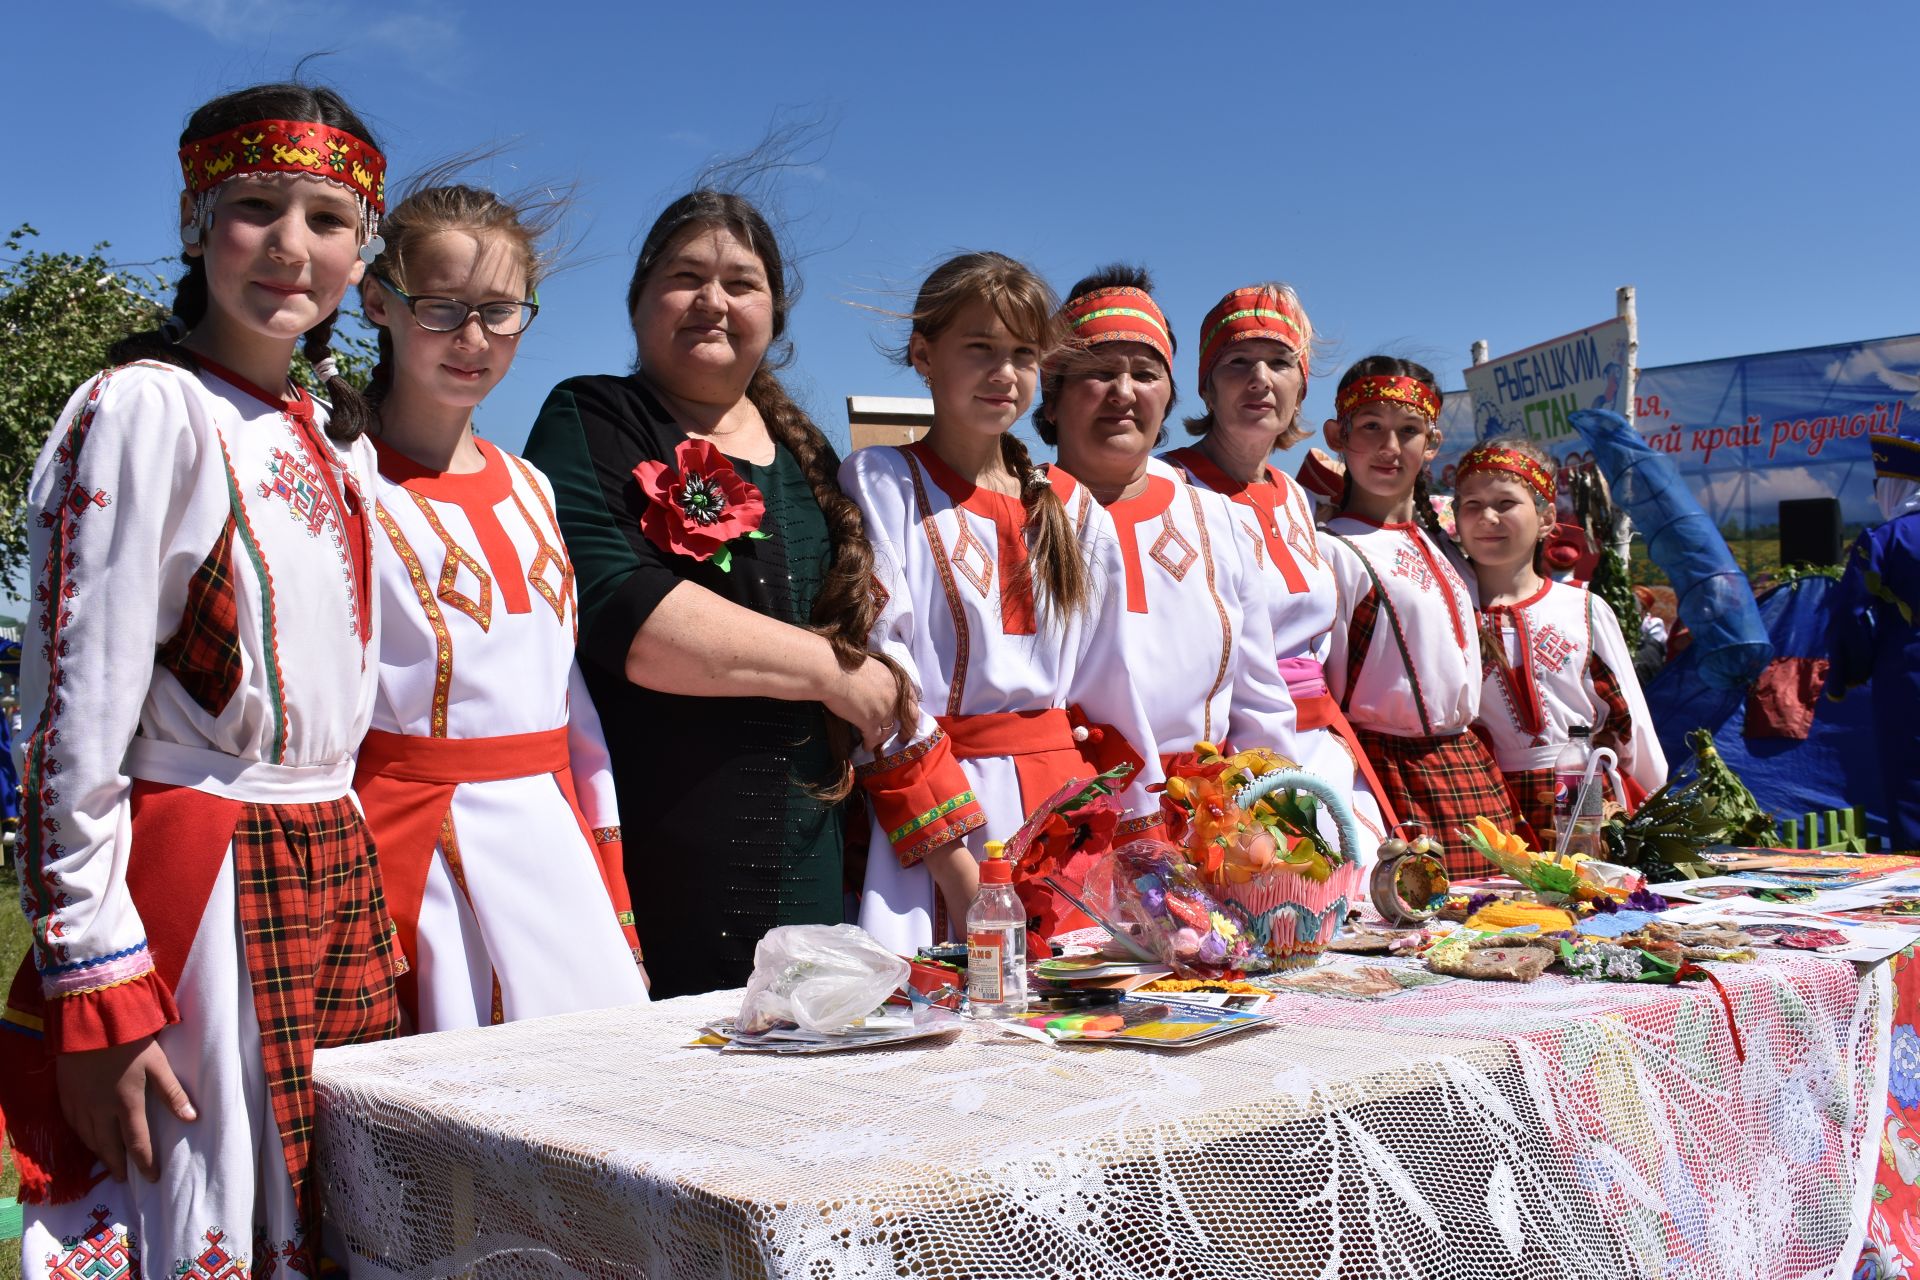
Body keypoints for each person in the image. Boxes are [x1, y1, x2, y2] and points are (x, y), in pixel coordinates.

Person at [0, 83, 402, 1276]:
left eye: (329, 218)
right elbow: (72, 717)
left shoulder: (330, 430)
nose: (292, 246)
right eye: (256, 208)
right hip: (210, 874)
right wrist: (95, 983)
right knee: (210, 1193)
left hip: (333, 854)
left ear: (363, 250)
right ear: (193, 222)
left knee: (335, 1207)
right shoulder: (145, 409)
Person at [521, 190, 906, 998]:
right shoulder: (594, 414)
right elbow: (627, 614)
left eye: (741, 282)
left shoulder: (810, 459)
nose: (713, 300)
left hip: (809, 848)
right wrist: (836, 673)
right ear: (637, 303)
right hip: (665, 844)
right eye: (685, 276)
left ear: (774, 313)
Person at [350, 181, 648, 1030]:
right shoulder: (344, 479)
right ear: (378, 302)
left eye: (501, 311)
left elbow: (570, 704)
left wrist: (598, 846)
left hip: (550, 845)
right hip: (410, 853)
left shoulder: (533, 488)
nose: (472, 339)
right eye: (441, 308)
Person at [843, 252, 1160, 951]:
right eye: (979, 348)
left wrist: (1145, 846)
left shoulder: (1075, 509)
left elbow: (1113, 688)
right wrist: (959, 870)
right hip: (943, 818)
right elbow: (883, 670)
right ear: (923, 354)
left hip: (1065, 819)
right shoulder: (882, 480)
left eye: (1022, 353)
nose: (1003, 373)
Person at [1036, 267, 1307, 817]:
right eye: (1098, 371)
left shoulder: (1217, 520)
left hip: (1208, 824)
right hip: (1064, 819)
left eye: (1145, 372)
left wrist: (1285, 825)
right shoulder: (1020, 516)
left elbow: (1260, 700)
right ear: (1052, 395)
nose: (1124, 392)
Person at [1161, 285, 1388, 862]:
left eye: (1280, 362)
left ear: (1301, 386)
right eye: (1238, 362)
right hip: (1230, 755)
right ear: (1207, 387)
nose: (1260, 379)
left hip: (1321, 749)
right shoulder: (1167, 488)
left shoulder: (1294, 496)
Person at [1320, 357, 1518, 876]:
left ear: (1431, 444)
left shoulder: (1449, 553)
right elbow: (1320, 693)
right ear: (1338, 435)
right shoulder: (1332, 549)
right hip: (1387, 778)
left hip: (1471, 774)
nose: (1390, 448)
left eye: (1408, 431)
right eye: (1371, 428)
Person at [1451, 437, 1666, 841]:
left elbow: (1630, 721)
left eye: (1505, 503)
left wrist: (1653, 805)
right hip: (1484, 801)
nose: (1487, 518)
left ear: (1547, 518)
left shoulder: (1582, 609)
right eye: (1472, 505)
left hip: (1583, 793)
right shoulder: (1447, 611)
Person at [1827, 422, 1920, 849]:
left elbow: (1850, 613)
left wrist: (1849, 672)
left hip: (1907, 676)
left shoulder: (1883, 539)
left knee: (1912, 781)